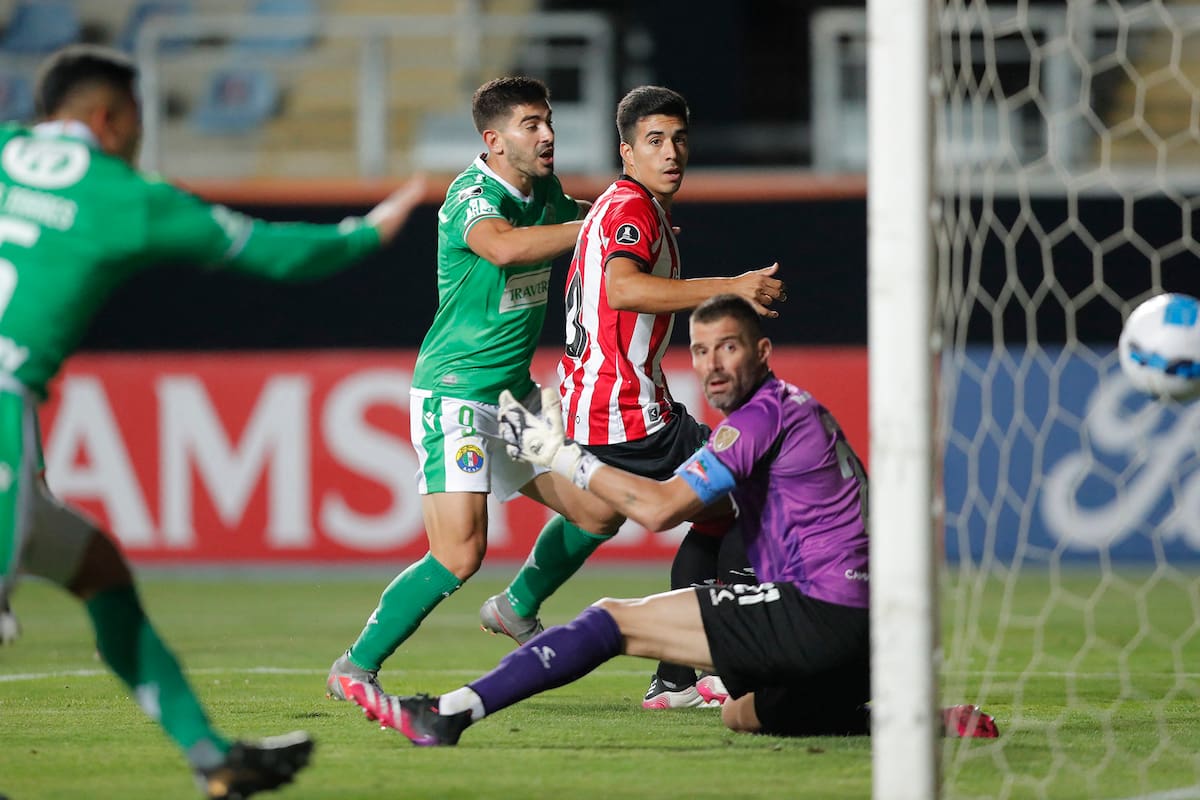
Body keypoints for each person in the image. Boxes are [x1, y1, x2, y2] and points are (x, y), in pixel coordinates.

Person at [0, 45, 425, 799]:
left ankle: (211, 757)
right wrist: (368, 230)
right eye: (137, 122)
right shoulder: (126, 196)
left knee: (99, 571)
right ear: (109, 118)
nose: (138, 138)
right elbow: (275, 254)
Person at [344, 295, 1000, 744]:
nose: (712, 365)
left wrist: (557, 453)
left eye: (729, 348)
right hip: (873, 633)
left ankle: (449, 714)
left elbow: (657, 510)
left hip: (824, 612)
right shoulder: (796, 411)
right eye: (701, 350)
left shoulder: (761, 417)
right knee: (743, 716)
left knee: (609, 619)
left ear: (763, 351)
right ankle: (925, 719)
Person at [478, 85, 787, 709]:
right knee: (760, 493)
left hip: (613, 407)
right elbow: (623, 288)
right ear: (627, 151)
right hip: (628, 413)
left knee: (698, 512)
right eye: (654, 141)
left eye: (678, 140)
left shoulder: (630, 205)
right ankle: (721, 666)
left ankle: (675, 680)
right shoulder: (630, 209)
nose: (671, 152)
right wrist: (732, 288)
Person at [324, 76, 624, 703]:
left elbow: (591, 233)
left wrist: (626, 215)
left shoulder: (544, 191)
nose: (546, 135)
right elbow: (507, 249)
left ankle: (517, 607)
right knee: (459, 554)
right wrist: (600, 222)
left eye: (548, 123)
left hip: (514, 400)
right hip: (455, 396)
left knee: (600, 510)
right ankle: (355, 666)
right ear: (493, 140)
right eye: (530, 125)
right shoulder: (469, 198)